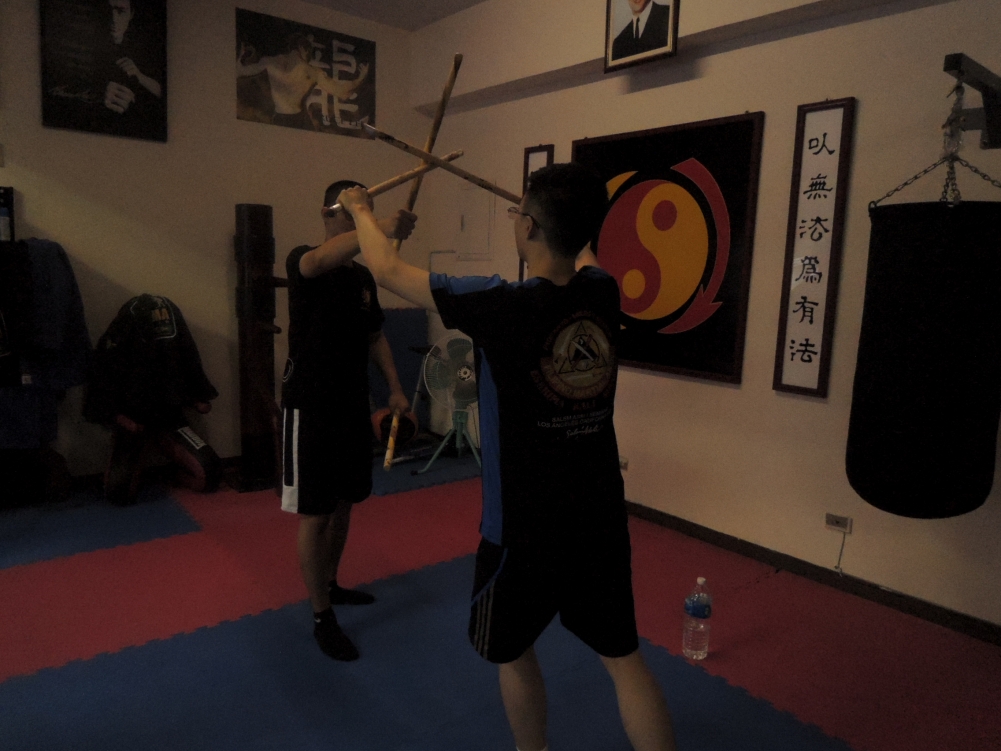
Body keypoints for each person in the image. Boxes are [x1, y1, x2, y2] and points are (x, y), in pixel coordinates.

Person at [338, 164, 678, 751]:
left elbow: (387, 269)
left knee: (513, 652)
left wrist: (360, 209)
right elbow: (584, 250)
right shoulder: (603, 291)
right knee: (625, 661)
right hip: (598, 517)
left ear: (528, 227)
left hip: (522, 527)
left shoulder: (499, 304)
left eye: (521, 214)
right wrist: (561, 215)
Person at [281, 180, 414, 662]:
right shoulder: (304, 259)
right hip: (310, 404)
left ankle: (331, 584)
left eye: (367, 210)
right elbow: (320, 260)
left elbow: (374, 337)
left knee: (344, 504)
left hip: (351, 403)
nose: (363, 217)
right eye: (355, 209)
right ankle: (322, 616)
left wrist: (395, 387)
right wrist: (378, 225)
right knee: (315, 513)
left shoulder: (361, 279)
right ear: (329, 212)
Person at [236, 35, 369, 130]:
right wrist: (361, 77)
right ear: (303, 49)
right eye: (308, 54)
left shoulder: (271, 62)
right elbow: (342, 92)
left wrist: (240, 58)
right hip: (298, 119)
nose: (308, 58)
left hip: (279, 117)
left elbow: (241, 71)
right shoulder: (311, 71)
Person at [99, 0, 166, 139]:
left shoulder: (147, 49)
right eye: (108, 11)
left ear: (131, 14)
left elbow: (163, 93)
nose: (114, 19)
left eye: (121, 11)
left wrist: (139, 76)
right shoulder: (93, 48)